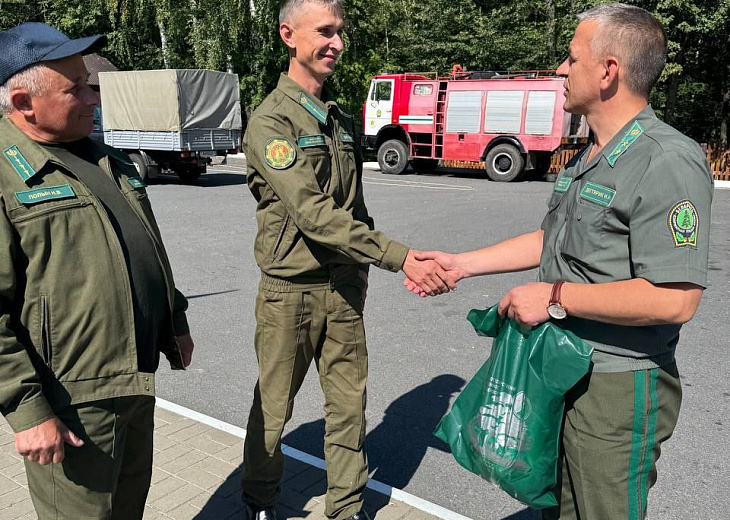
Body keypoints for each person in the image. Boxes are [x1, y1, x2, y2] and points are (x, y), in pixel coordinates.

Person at [407, 4, 713, 519]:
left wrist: (553, 297)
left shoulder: (665, 159)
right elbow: (552, 239)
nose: (560, 70)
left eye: (572, 59)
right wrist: (461, 265)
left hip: (614, 384)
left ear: (608, 71)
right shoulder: (590, 155)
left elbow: (675, 299)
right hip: (562, 366)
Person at [240, 1, 455, 519]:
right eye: (325, 31)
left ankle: (346, 506)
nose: (337, 43)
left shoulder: (336, 119)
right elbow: (313, 214)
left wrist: (361, 267)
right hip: (290, 293)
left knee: (348, 406)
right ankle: (260, 501)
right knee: (273, 408)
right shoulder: (271, 121)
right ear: (288, 35)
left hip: (341, 288)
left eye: (339, 32)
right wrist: (398, 258)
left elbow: (353, 206)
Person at [0, 23, 194, 519]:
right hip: (69, 401)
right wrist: (27, 410)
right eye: (76, 89)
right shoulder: (5, 173)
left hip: (133, 379)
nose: (94, 98)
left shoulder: (106, 158)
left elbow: (147, 247)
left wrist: (175, 320)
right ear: (23, 103)